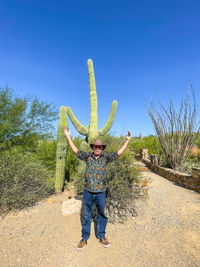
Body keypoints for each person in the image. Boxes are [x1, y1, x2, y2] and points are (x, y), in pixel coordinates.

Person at [64, 127, 131, 251]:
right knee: (86, 215)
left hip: (101, 192)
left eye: (99, 147)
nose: (97, 148)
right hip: (88, 192)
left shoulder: (105, 158)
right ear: (93, 147)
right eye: (95, 147)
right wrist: (68, 136)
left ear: (102, 148)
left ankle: (101, 236)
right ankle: (84, 238)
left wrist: (127, 140)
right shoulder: (87, 157)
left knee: (101, 214)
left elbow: (118, 153)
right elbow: (75, 150)